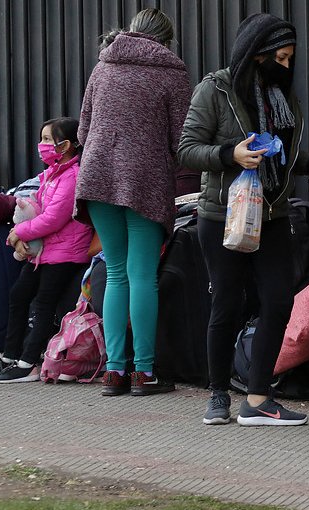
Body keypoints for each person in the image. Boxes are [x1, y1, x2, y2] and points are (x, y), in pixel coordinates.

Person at [178, 13, 309, 426]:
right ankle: (218, 394)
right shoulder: (215, 89)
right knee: (226, 302)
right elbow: (186, 149)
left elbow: (281, 157)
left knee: (277, 300)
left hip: (272, 213)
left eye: (290, 59)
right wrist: (229, 154)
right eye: (281, 57)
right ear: (257, 54)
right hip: (224, 214)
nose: (286, 67)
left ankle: (257, 398)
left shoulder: (283, 98)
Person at [75, 8, 192, 396]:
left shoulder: (103, 65)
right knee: (142, 276)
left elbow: (82, 129)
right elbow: (183, 140)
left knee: (116, 273)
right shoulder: (172, 73)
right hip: (144, 180)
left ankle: (113, 371)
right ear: (166, 40)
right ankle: (143, 373)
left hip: (97, 176)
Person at [0, 118, 94, 382]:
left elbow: (54, 218)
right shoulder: (52, 173)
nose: (41, 145)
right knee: (19, 295)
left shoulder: (72, 176)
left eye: (46, 139)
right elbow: (36, 205)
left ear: (65, 145)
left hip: (66, 253)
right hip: (45, 251)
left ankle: (29, 362)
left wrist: (18, 233)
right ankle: (10, 355)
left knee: (43, 303)